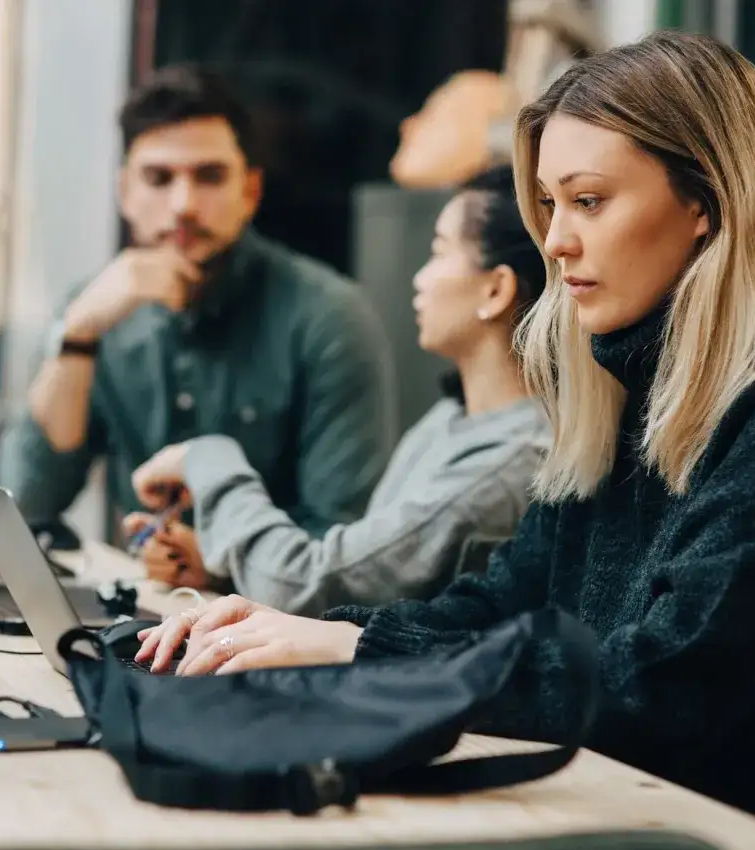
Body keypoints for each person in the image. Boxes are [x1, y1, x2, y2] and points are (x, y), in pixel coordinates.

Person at [132, 32, 755, 850]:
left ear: (707, 203)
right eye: (548, 205)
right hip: (651, 817)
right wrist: (293, 634)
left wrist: (356, 648)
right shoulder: (628, 393)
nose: (554, 241)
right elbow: (502, 604)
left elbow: (659, 694)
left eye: (588, 201)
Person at [0, 65, 398, 554]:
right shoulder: (96, 307)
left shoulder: (328, 317)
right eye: (159, 178)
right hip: (141, 611)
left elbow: (342, 536)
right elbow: (28, 502)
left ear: (250, 191)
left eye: (209, 176)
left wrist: (213, 562)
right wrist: (77, 335)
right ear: (126, 192)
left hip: (274, 621)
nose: (184, 204)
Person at [123, 166, 553, 615]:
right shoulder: (451, 419)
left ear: (496, 288)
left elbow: (308, 586)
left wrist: (207, 460)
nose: (419, 279)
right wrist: (220, 570)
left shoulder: (507, 465)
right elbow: (361, 582)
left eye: (438, 252)